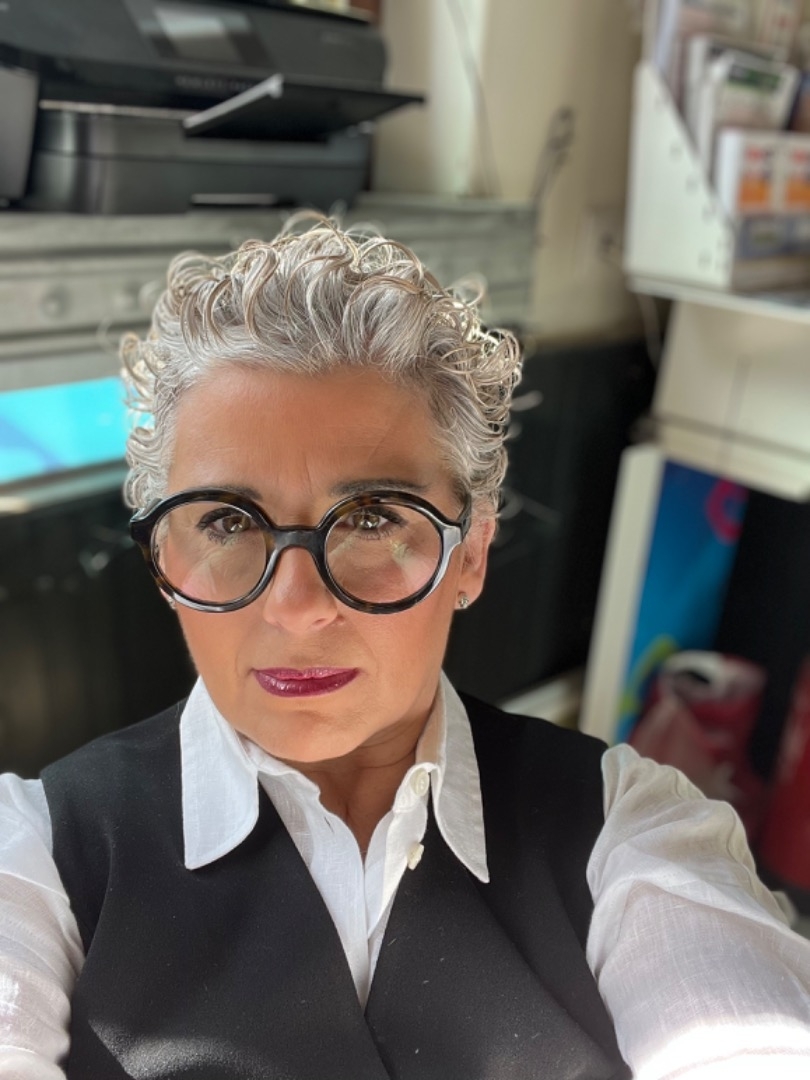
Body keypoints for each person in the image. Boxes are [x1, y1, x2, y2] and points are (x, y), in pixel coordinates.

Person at [0, 214, 809, 1080]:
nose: (296, 607)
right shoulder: (40, 852)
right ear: (164, 561)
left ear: (471, 554)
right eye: (227, 522)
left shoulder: (627, 830)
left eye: (374, 518)